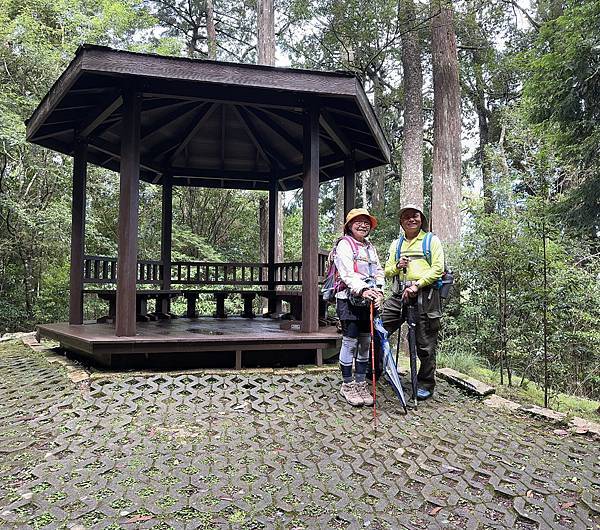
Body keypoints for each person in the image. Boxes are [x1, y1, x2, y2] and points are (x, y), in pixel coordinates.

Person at [382, 204, 444, 400]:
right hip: (400, 294)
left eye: (414, 216)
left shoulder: (431, 241)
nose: (411, 219)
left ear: (421, 219)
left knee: (424, 342)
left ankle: (425, 383)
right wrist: (397, 265)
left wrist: (417, 285)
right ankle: (375, 369)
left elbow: (438, 269)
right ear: (401, 222)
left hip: (425, 296)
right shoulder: (396, 244)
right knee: (379, 327)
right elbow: (387, 270)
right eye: (406, 217)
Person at [334, 208, 385, 407]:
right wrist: (363, 289)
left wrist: (379, 291)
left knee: (365, 341)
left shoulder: (370, 247)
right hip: (348, 299)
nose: (363, 225)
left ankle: (361, 383)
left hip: (369, 300)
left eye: (366, 222)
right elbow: (346, 272)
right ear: (349, 225)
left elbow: (378, 270)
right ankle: (347, 384)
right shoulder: (344, 245)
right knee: (350, 342)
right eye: (358, 221)